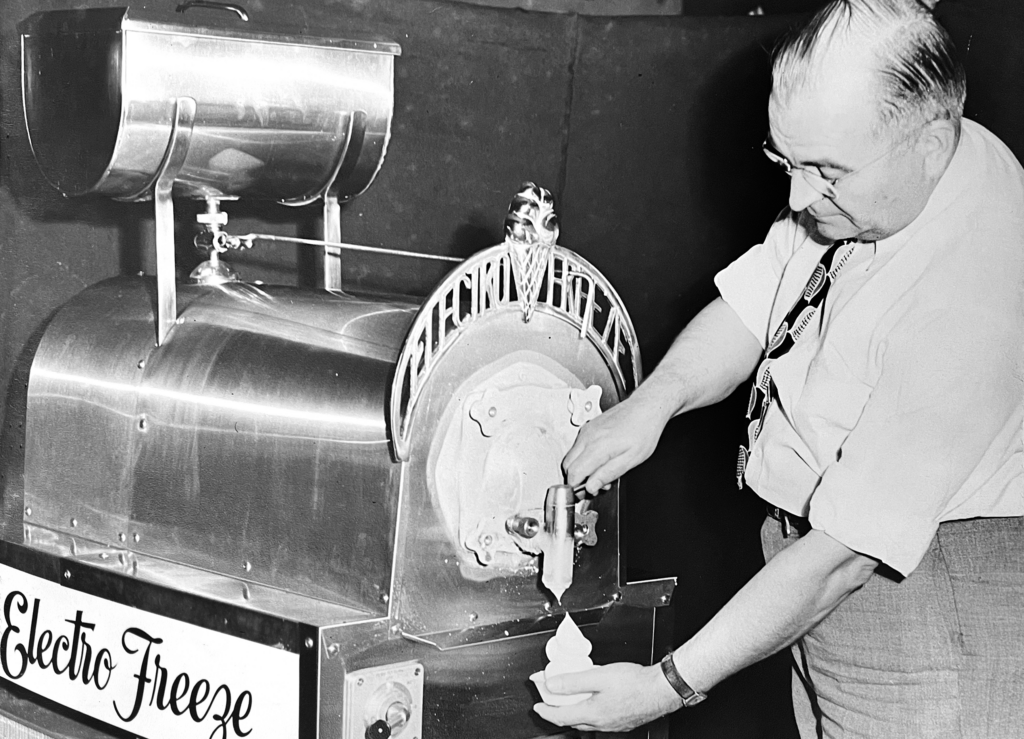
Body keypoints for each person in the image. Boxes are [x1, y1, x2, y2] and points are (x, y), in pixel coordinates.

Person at [533, 0, 1024, 736]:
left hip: (919, 601)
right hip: (816, 580)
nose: (797, 197)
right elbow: (759, 301)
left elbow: (842, 559)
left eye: (824, 172)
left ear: (931, 142)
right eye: (785, 163)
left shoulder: (974, 288)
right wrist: (654, 402)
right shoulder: (875, 176)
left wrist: (668, 685)